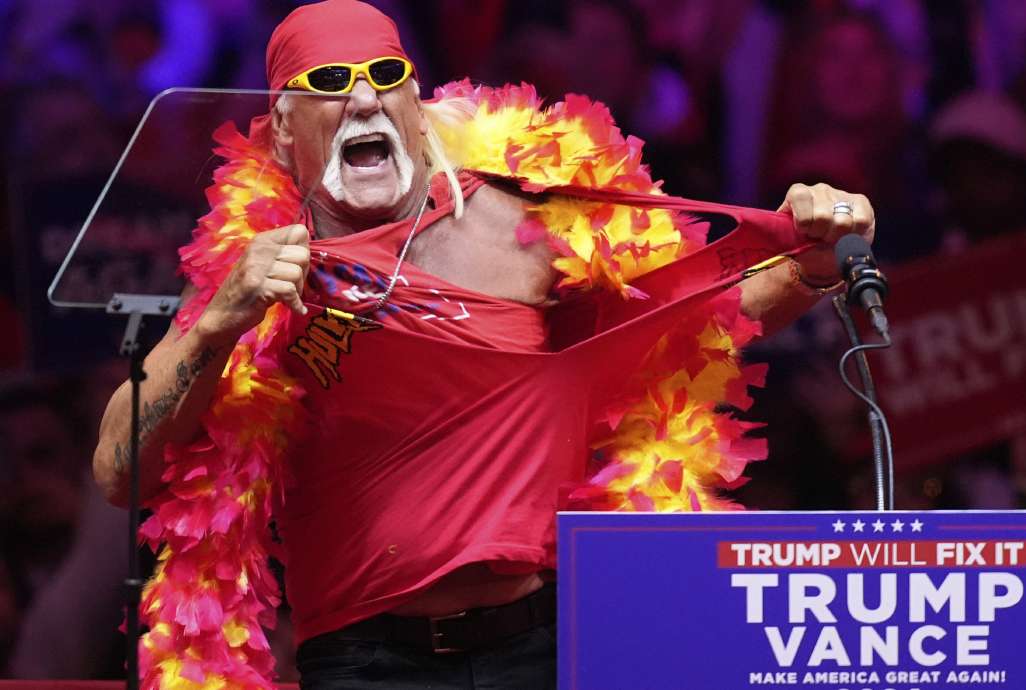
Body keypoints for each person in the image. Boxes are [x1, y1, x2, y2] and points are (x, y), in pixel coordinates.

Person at [90, 1, 876, 688]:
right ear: (284, 125)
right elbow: (120, 471)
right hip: (367, 662)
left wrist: (815, 260)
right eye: (329, 82)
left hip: (546, 642)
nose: (362, 98)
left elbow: (694, 323)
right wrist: (222, 319)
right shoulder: (256, 268)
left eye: (385, 75)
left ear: (415, 103)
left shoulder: (512, 224)